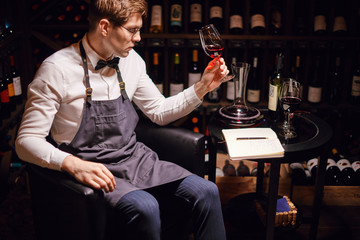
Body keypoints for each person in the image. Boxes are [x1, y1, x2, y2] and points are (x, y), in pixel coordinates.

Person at [15, 0, 228, 239]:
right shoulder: (56, 69)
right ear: (105, 26)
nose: (138, 38)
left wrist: (201, 87)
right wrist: (72, 164)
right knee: (145, 206)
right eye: (133, 29)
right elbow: (26, 142)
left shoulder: (132, 61)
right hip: (92, 167)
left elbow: (159, 111)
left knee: (207, 191)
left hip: (134, 160)